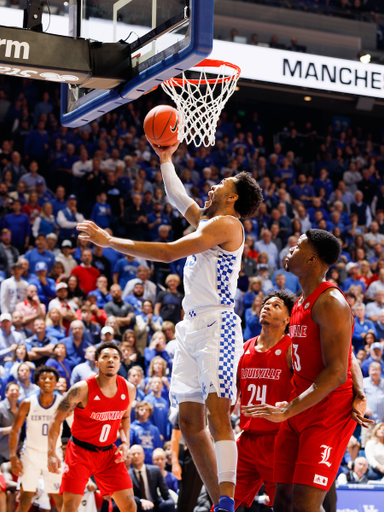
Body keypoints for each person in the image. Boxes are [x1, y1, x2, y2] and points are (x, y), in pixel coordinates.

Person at [77, 143, 263, 512]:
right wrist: (165, 158)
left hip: (217, 326)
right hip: (191, 327)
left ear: (234, 197)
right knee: (191, 423)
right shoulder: (210, 223)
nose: (211, 187)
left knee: (218, 416)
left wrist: (109, 241)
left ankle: (229, 503)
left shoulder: (228, 224)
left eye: (221, 184)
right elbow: (178, 196)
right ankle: (220, 504)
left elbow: (167, 253)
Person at [242, 230, 369, 512]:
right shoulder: (299, 301)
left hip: (327, 412)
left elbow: (338, 370)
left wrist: (289, 409)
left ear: (312, 258)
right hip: (298, 408)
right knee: (281, 501)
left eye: (297, 245)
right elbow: (348, 355)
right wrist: (361, 391)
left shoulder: (331, 302)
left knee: (304, 505)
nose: (290, 247)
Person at [47, 342, 136, 512]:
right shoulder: (81, 389)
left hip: (109, 454)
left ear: (119, 363)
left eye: (115, 358)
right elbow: (55, 419)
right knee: (71, 506)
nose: (111, 360)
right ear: (96, 363)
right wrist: (51, 453)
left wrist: (125, 443)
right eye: (105, 357)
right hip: (80, 452)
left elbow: (125, 417)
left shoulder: (129, 389)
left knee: (130, 505)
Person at [235, 291, 295, 510]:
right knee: (224, 500)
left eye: (276, 305)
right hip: (246, 440)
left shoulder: (291, 349)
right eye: (265, 304)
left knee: (284, 505)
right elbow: (232, 396)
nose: (266, 307)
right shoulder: (243, 349)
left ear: (288, 319)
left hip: (278, 439)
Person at [9, 366, 63, 512]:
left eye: (51, 378)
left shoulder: (62, 403)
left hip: (53, 455)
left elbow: (76, 428)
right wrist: (13, 456)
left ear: (56, 383)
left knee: (59, 497)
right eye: (43, 378)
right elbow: (15, 429)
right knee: (26, 497)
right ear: (37, 382)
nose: (47, 381)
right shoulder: (28, 402)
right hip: (30, 454)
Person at [129, 444, 175, 512]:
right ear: (130, 457)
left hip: (156, 504)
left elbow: (165, 493)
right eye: (133, 454)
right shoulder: (128, 475)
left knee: (170, 504)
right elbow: (130, 496)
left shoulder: (155, 470)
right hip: (140, 506)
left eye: (138, 453)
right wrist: (141, 501)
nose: (136, 456)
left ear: (143, 456)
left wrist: (171, 502)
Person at [0, 382, 20, 464]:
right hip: (1, 452)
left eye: (16, 390)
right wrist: (11, 429)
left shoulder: (21, 408)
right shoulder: (1, 408)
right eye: (12, 390)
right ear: (6, 393)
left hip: (16, 452)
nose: (14, 392)